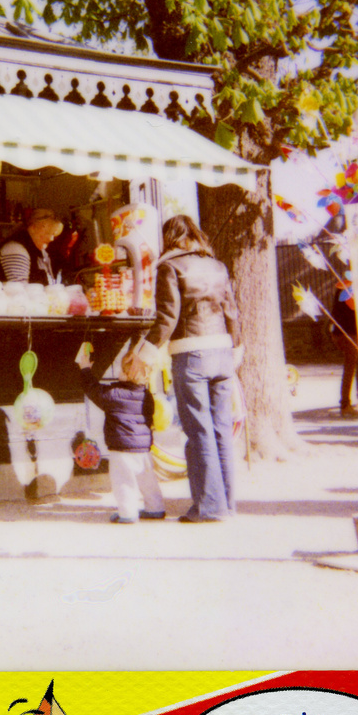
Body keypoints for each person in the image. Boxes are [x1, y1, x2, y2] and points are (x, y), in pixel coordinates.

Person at [139, 215, 241, 523]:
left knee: (199, 432)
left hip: (191, 352)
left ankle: (209, 506)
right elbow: (232, 312)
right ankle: (226, 503)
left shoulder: (170, 267)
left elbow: (167, 318)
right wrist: (236, 348)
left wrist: (144, 352)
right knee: (222, 429)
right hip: (223, 351)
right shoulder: (217, 266)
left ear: (169, 238)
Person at [76, 342, 165, 524]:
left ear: (126, 374)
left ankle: (127, 513)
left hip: (121, 449)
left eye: (121, 369)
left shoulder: (114, 393)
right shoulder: (146, 396)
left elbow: (93, 390)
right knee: (148, 481)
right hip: (143, 448)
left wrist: (85, 369)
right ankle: (156, 508)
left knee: (123, 482)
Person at [0, 208, 64, 285]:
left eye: (53, 234)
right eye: (47, 233)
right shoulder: (15, 249)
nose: (51, 238)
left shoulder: (41, 253)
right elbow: (20, 291)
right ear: (33, 227)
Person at [330, 291, 358, 418]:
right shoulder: (348, 290)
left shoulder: (345, 288)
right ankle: (345, 405)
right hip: (349, 332)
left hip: (344, 331)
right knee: (351, 366)